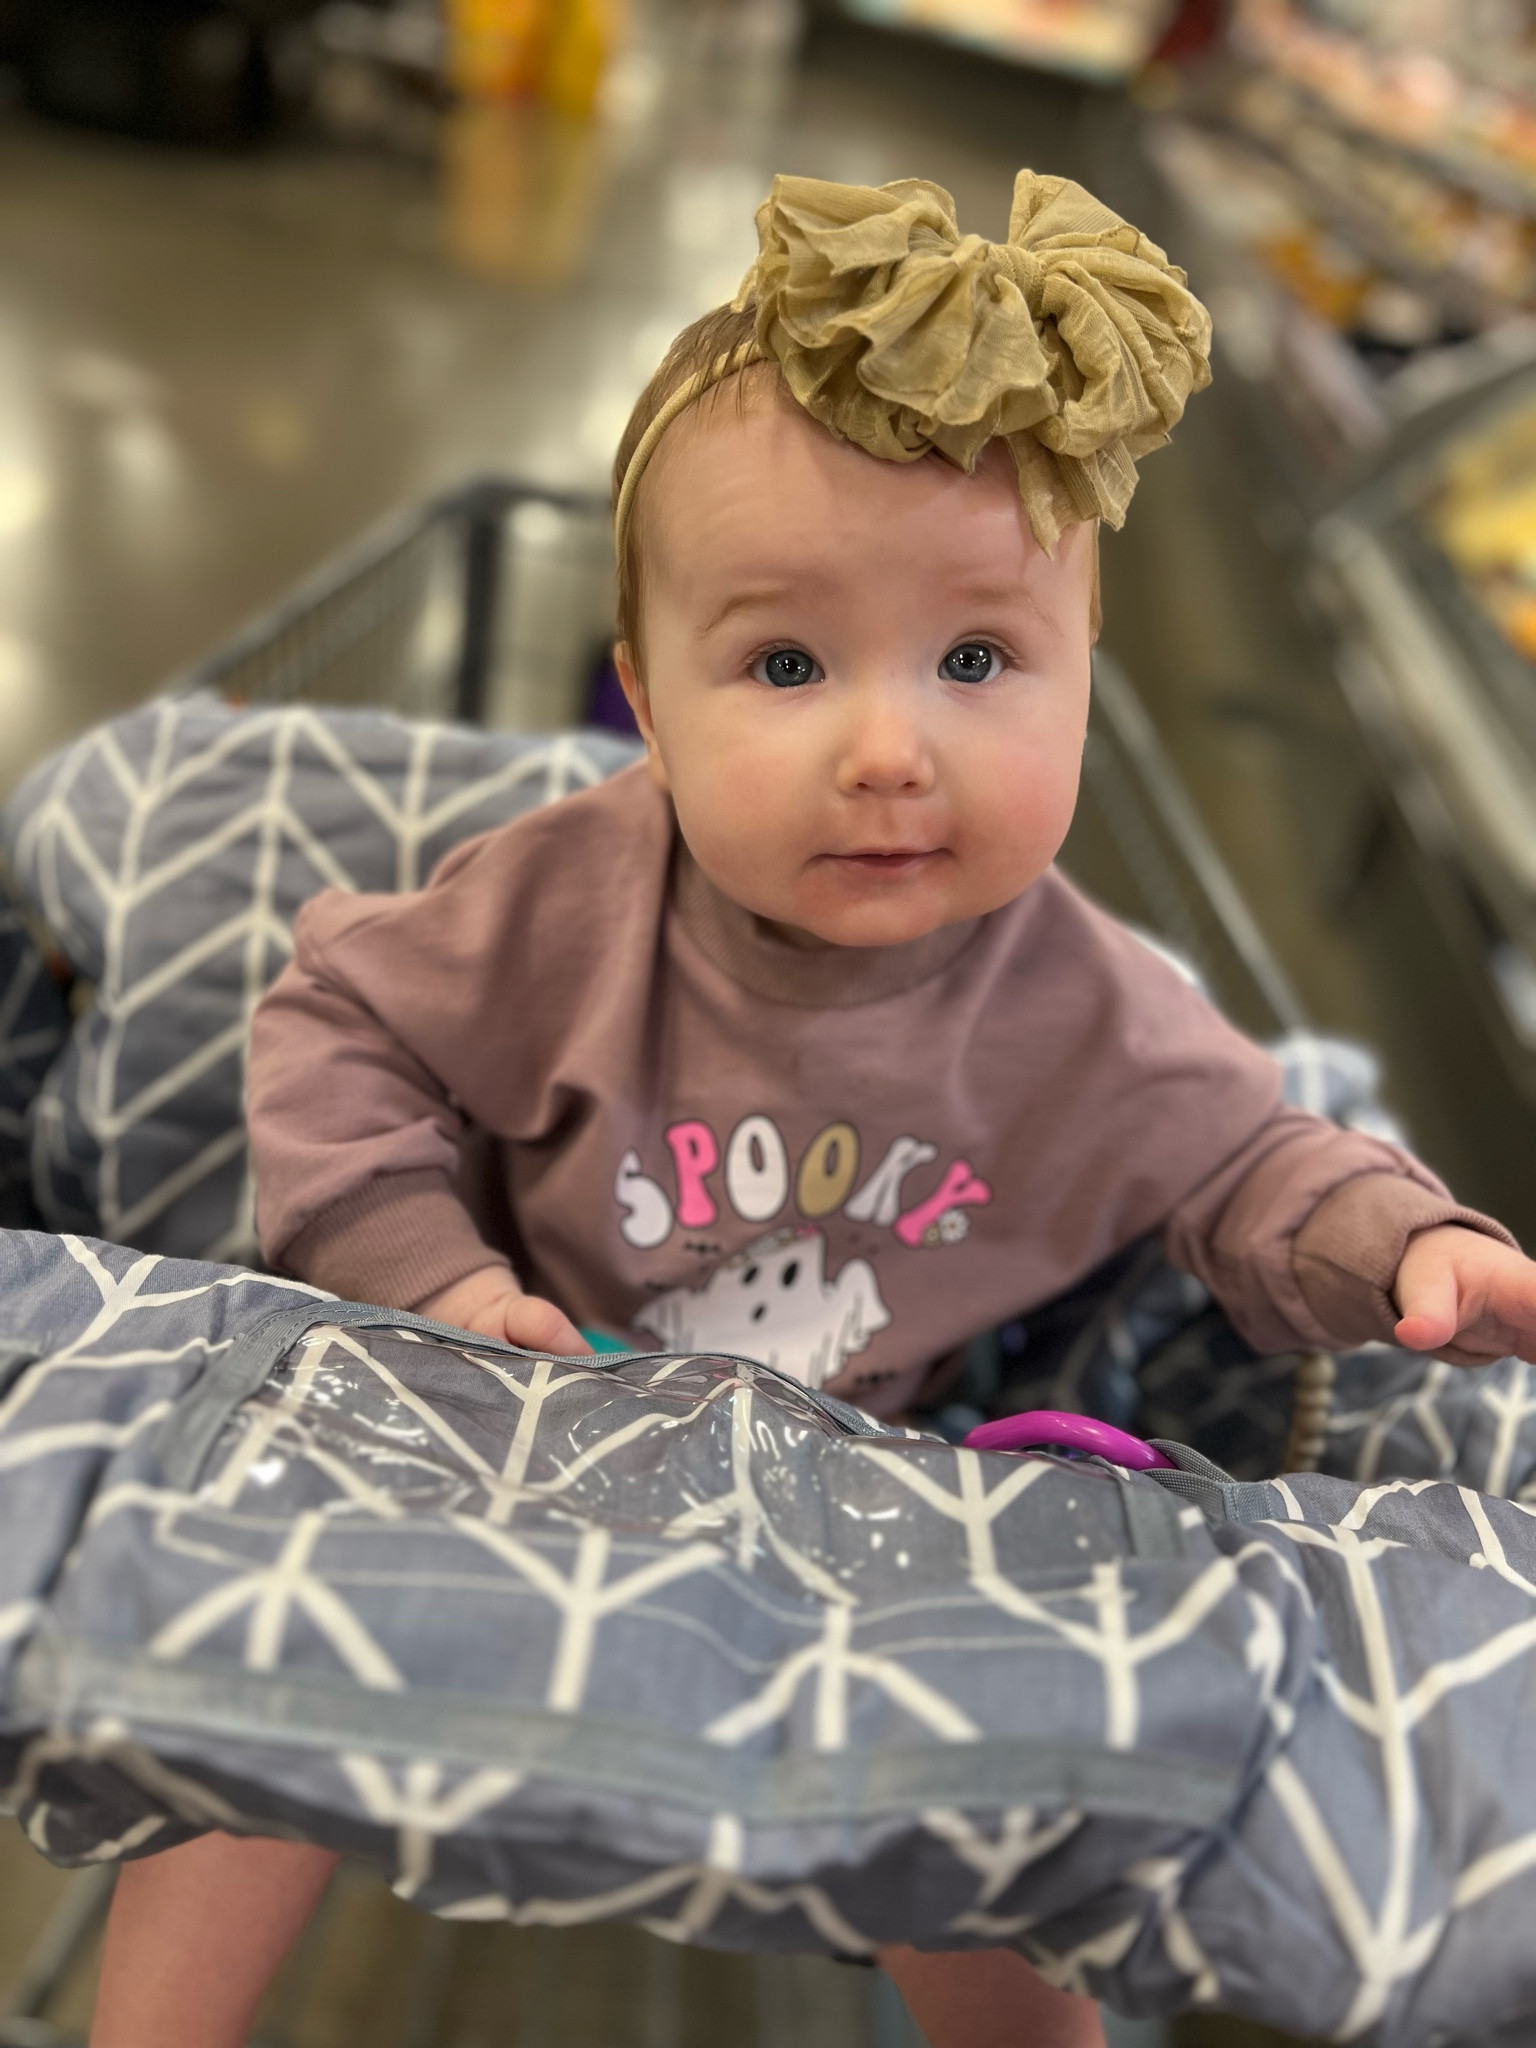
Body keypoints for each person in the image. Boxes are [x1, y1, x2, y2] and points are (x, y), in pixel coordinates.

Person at [89, 170, 1536, 2048]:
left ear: (1085, 677)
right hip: (498, 1419)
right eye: (784, 664)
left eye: (979, 660)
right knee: (234, 1658)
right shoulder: (563, 904)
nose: (887, 748)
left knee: (1004, 1806)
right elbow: (340, 1019)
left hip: (853, 1511)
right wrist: (422, 1279)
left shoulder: (1088, 1007)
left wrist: (1409, 1245)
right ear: (648, 710)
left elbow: (1257, 1162)